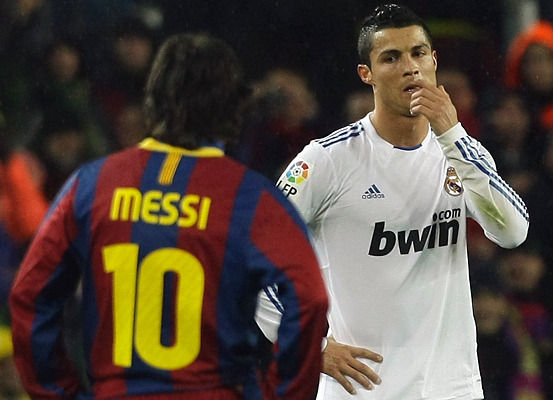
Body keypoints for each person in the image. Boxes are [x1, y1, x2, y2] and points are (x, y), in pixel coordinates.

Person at [9, 33, 328, 400]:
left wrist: (59, 393)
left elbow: (31, 294)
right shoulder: (253, 198)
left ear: (153, 98)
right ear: (232, 107)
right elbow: (309, 299)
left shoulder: (91, 185)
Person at [256, 4, 529, 399]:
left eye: (418, 53)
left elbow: (512, 232)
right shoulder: (326, 160)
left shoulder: (460, 151)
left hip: (451, 388)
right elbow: (252, 261)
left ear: (434, 61)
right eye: (391, 58)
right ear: (365, 74)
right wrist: (312, 346)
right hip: (362, 390)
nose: (410, 67)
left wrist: (453, 136)